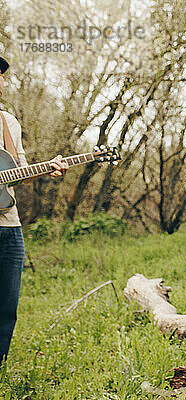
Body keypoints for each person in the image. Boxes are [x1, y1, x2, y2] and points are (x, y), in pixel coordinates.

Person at [0, 56, 69, 364]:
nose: (2, 81)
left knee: (6, 306)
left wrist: (47, 168)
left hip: (10, 228)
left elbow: (20, 170)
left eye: (1, 76)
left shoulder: (8, 122)